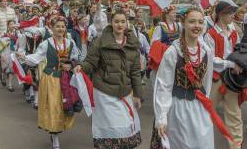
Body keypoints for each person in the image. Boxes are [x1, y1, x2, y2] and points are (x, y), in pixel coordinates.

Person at [74, 8, 142, 149]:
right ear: (111, 22)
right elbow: (90, 62)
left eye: (123, 21)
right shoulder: (101, 41)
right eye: (116, 21)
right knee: (111, 131)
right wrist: (81, 67)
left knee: (125, 129)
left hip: (125, 93)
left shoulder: (133, 45)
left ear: (127, 23)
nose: (120, 25)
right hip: (104, 93)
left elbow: (135, 72)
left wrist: (138, 95)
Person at [153, 8, 214, 149]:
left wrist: (205, 102)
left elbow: (207, 82)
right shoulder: (173, 52)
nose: (196, 26)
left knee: (202, 142)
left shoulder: (207, 52)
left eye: (200, 22)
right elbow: (164, 85)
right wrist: (162, 117)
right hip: (179, 108)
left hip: (199, 108)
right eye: (192, 21)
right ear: (183, 24)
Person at [17, 16, 80, 149]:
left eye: (63, 26)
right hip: (51, 79)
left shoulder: (70, 43)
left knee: (64, 105)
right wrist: (24, 57)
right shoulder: (46, 43)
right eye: (57, 26)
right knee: (53, 106)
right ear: (51, 28)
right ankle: (54, 135)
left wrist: (72, 64)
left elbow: (76, 57)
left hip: (65, 79)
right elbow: (36, 57)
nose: (60, 29)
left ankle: (58, 129)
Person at [204, 1, 243, 149]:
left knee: (234, 114)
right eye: (230, 13)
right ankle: (201, 141)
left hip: (231, 79)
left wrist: (240, 63)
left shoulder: (234, 33)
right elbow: (211, 59)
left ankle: (236, 145)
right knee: (206, 112)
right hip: (216, 78)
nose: (233, 16)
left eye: (233, 12)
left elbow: (237, 52)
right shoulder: (210, 34)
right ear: (220, 14)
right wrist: (231, 64)